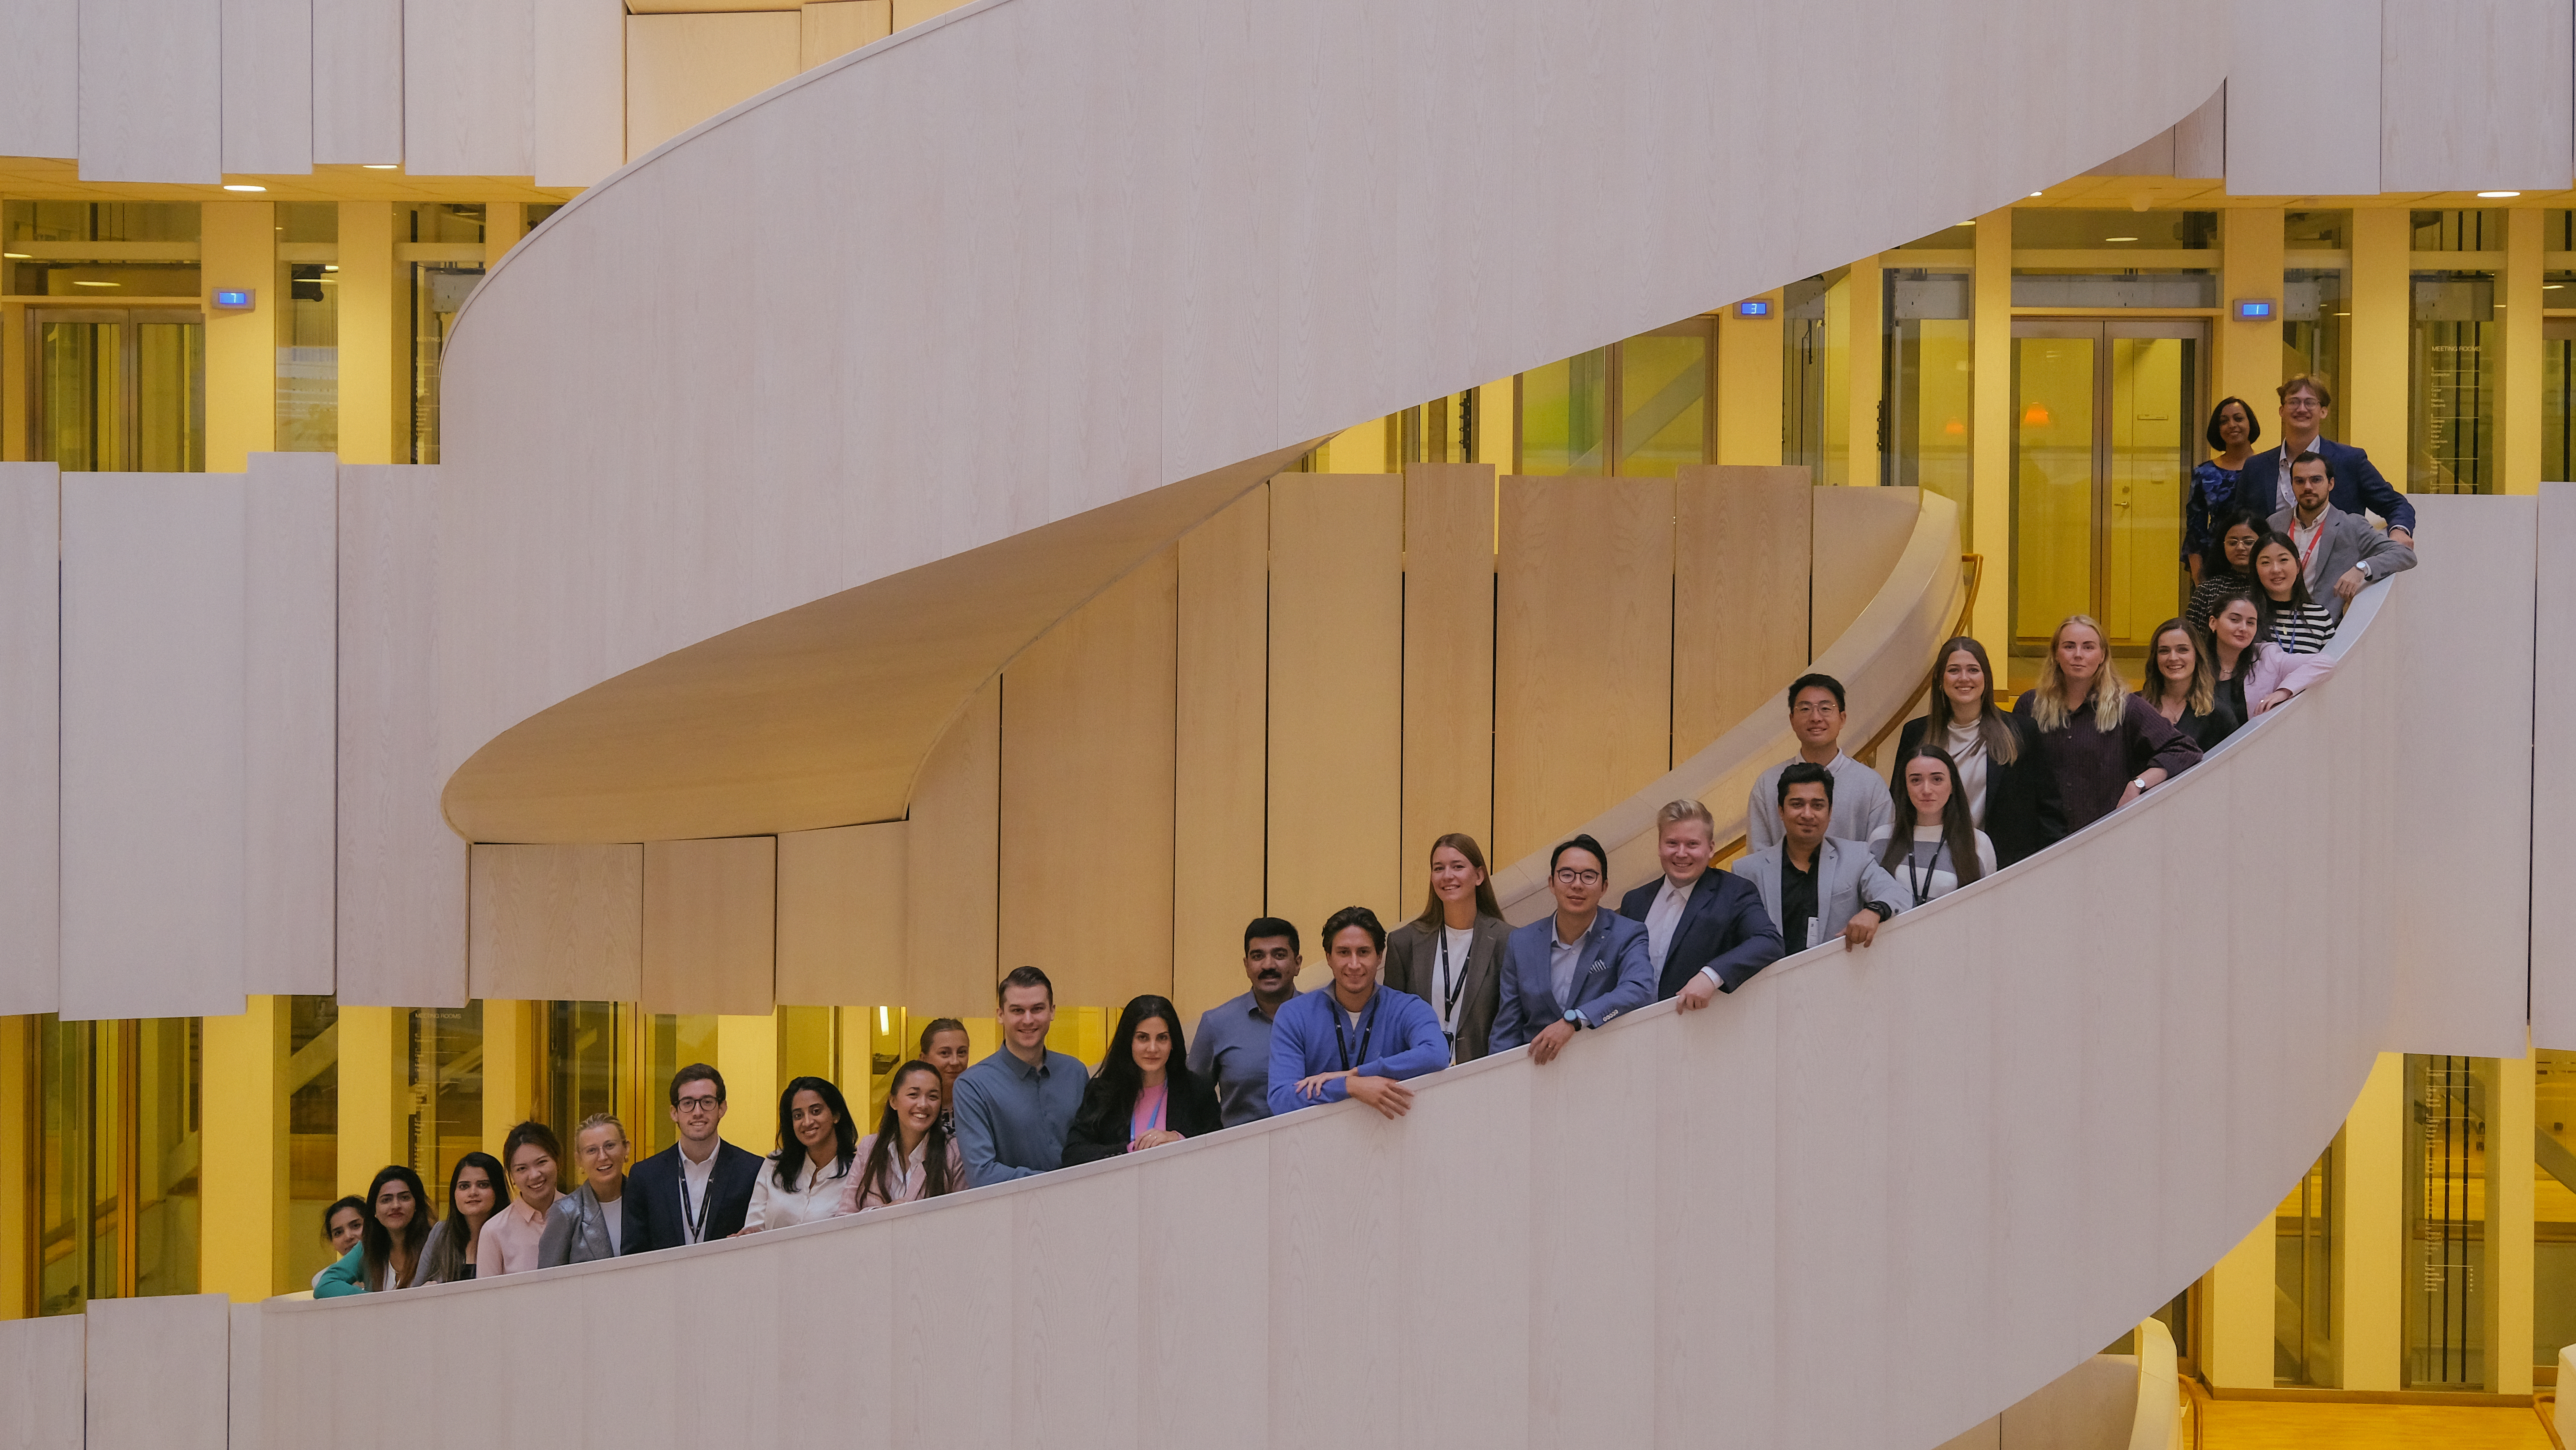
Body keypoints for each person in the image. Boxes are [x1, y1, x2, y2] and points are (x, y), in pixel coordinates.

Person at [2013, 614, 2203, 832]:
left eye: (2088, 647)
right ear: (2056, 654)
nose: (2078, 655)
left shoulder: (2127, 707)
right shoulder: (2030, 705)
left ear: (2103, 655)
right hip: (2045, 840)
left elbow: (2185, 749)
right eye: (2069, 646)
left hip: (2108, 835)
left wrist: (2138, 785)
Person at [1893, 636, 2064, 867]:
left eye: (1973, 670)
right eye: (1954, 670)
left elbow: (2048, 809)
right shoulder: (1915, 733)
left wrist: (2049, 864)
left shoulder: (2022, 731)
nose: (1964, 678)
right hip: (1931, 864)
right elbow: (1900, 802)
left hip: (2005, 866)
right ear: (1941, 680)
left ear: (1986, 678)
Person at [1266, 905, 1448, 1118]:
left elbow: (1437, 1054)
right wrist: (1350, 1085)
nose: (1354, 964)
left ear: (1379, 956)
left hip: (1392, 1139)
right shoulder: (1294, 1014)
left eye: (1364, 952)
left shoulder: (1409, 1008)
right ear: (1329, 958)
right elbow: (1281, 1099)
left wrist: (1358, 1072)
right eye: (1344, 953)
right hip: (1315, 1144)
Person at [1493, 834, 1656, 1061]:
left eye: (1589, 876)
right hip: (1536, 1072)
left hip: (1606, 1065)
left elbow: (1641, 989)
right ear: (1551, 883)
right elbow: (1507, 1028)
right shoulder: (1521, 942)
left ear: (1604, 887)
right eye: (1567, 875)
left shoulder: (1627, 934)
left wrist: (1576, 1020)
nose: (1577, 885)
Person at [1616, 801, 1780, 1011]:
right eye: (1672, 843)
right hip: (1633, 1029)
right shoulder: (1635, 901)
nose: (1681, 853)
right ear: (1659, 846)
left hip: (1700, 1028)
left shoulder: (1735, 892)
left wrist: (1711, 976)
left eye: (1692, 844)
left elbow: (1769, 942)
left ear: (1711, 849)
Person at [1732, 764, 1906, 953]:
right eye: (1797, 804)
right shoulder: (1747, 871)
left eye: (1818, 806)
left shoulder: (1855, 857)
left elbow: (1899, 895)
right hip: (1773, 978)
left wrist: (1874, 911)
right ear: (1781, 811)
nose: (1807, 814)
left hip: (1840, 975)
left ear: (1830, 813)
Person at [2233, 374, 2417, 542]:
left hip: (2336, 571)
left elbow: (2396, 505)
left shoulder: (2351, 461)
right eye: (2294, 402)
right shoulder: (2256, 467)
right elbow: (2239, 520)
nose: (2302, 409)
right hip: (2273, 572)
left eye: (2310, 403)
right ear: (2282, 410)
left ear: (2323, 412)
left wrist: (2399, 532)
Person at [952, 965, 1089, 1187]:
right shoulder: (972, 1086)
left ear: (1052, 1011)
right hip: (1011, 1216)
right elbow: (982, 1174)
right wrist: (1059, 1184)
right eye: (1017, 1011)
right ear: (1000, 1015)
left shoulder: (1075, 1073)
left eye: (1037, 1009)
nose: (1028, 1020)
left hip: (1082, 1209)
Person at [1382, 833, 1509, 1061]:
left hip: (1483, 1077)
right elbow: (1392, 1025)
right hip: (1419, 1078)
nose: (1447, 876)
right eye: (1438, 868)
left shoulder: (1507, 941)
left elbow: (1510, 1023)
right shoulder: (1404, 942)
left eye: (1457, 867)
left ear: (1479, 875)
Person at [1064, 995, 1223, 1163]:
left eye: (1162, 1038)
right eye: (1143, 1038)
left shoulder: (1198, 1090)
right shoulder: (1102, 1092)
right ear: (1129, 1042)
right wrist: (1130, 1150)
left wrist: (1180, 1141)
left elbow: (1219, 1153)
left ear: (1173, 1043)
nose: (1153, 1048)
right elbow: (1073, 1153)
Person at [625, 1063, 762, 1253]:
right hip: (664, 1282)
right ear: (674, 1113)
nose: (698, 1112)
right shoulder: (645, 1177)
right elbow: (633, 1256)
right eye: (688, 1103)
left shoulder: (753, 1171)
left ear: (722, 1108)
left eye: (707, 1102)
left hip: (730, 1280)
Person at [1746, 673, 1893, 850]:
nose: (1816, 718)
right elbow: (1757, 858)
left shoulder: (1871, 785)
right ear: (1792, 720)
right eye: (1805, 709)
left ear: (1842, 718)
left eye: (1825, 709)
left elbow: (1881, 857)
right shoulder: (1768, 783)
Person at [2267, 450, 2416, 623]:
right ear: (2292, 484)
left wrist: (2362, 568)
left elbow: (2405, 554)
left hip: (2322, 629)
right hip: (2274, 624)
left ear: (2331, 484)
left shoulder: (2351, 526)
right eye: (2300, 481)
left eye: (2316, 480)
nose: (2308, 487)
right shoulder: (2274, 524)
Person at [1187, 918, 1303, 1128]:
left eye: (1279, 955)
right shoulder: (1216, 1024)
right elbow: (1190, 1102)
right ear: (1247, 965)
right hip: (1238, 1154)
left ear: (1297, 963)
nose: (1268, 965)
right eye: (1258, 956)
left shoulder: (1324, 1019)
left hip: (1313, 1149)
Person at [2199, 589, 2337, 748]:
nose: (2244, 628)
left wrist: (2283, 691)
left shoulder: (2267, 656)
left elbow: (2325, 663)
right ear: (2213, 622)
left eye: (2251, 623)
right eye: (2235, 620)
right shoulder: (2195, 661)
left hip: (2249, 752)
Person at [1868, 744, 1996, 907]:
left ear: (1952, 786)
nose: (1926, 790)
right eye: (1916, 780)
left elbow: (1987, 907)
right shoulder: (1880, 838)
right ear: (1906, 787)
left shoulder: (1979, 843)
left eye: (1937, 779)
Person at [841, 1060, 965, 1212]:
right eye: (914, 1095)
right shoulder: (869, 1147)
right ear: (894, 1101)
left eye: (933, 1097)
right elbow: (845, 1215)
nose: (923, 1104)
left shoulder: (954, 1152)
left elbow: (962, 1218)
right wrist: (882, 1213)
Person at [741, 1077, 860, 1231]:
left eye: (816, 1112)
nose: (807, 1122)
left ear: (836, 1115)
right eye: (798, 1115)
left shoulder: (858, 1169)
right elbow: (754, 1225)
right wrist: (748, 1234)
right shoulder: (775, 1164)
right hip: (774, 1255)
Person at [315, 1165, 432, 1296]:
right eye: (386, 1200)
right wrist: (373, 1301)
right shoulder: (367, 1248)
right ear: (375, 1211)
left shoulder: (437, 1243)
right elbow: (325, 1285)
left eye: (404, 1198)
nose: (396, 1206)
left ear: (417, 1205)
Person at [537, 1113, 629, 1266]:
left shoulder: (648, 1201)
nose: (602, 1157)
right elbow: (549, 1281)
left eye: (610, 1146)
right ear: (579, 1159)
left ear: (626, 1148)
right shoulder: (566, 1212)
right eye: (591, 1151)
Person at [2184, 396, 2259, 585]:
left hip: (2260, 562)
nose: (2232, 425)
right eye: (2224, 421)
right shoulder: (2204, 473)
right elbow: (2195, 530)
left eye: (2239, 419)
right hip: (2215, 563)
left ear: (2250, 424)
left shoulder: (2267, 467)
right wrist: (2198, 577)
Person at [478, 1121, 566, 1276]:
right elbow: (487, 1298)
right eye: (522, 1169)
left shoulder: (581, 1215)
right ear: (511, 1175)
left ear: (558, 1161)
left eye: (542, 1162)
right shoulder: (494, 1231)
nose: (534, 1175)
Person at [414, 1151, 507, 1285]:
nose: (473, 1193)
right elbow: (415, 1292)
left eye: (483, 1185)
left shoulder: (512, 1234)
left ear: (499, 1190)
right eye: (464, 1186)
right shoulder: (441, 1233)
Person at [2140, 617, 2222, 748]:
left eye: (2183, 650)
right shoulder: (2135, 708)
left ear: (2197, 655)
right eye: (2164, 651)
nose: (2173, 658)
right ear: (2155, 658)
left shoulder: (2219, 715)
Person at [2250, 531, 2337, 654]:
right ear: (2255, 569)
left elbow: (2331, 668)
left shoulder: (2320, 617)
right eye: (2265, 562)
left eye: (2283, 560)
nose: (2276, 569)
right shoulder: (2246, 614)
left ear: (2298, 566)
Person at [2185, 513, 2264, 631]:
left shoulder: (2269, 586)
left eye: (2248, 542)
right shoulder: (2207, 590)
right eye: (2233, 543)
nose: (2240, 548)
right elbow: (2192, 637)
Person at [918, 1018, 972, 1128]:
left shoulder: (978, 1103)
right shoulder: (913, 1106)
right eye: (945, 1053)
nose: (955, 1062)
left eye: (962, 1052)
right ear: (923, 1059)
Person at [311, 1195, 366, 1291]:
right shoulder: (324, 1279)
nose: (348, 1237)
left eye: (356, 1226)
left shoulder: (393, 1266)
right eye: (338, 1233)